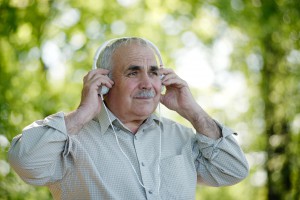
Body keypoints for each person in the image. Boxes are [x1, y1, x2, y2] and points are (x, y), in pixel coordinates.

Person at [8, 37, 249, 200]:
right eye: (133, 72)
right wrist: (82, 113)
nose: (147, 83)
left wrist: (194, 112)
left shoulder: (183, 136)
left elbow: (234, 170)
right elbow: (25, 163)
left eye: (153, 72)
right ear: (104, 83)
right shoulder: (70, 140)